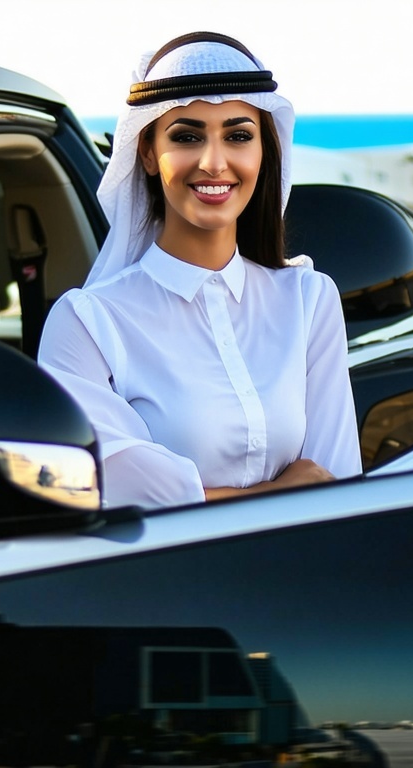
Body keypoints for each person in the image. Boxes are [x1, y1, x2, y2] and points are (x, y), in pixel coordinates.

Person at [38, 31, 362, 509]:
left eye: (238, 136)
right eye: (187, 137)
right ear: (148, 153)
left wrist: (204, 496)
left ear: (264, 151)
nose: (214, 163)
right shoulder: (88, 323)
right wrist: (279, 494)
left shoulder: (308, 300)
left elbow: (338, 489)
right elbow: (102, 493)